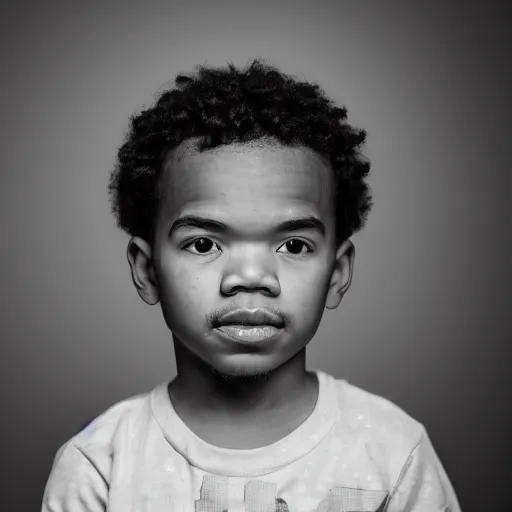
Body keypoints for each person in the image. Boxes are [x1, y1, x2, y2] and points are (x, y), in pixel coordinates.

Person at [41, 58, 461, 511]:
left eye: (294, 246)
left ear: (337, 274)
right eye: (203, 244)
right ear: (147, 271)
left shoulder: (393, 454)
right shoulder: (100, 465)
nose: (250, 277)